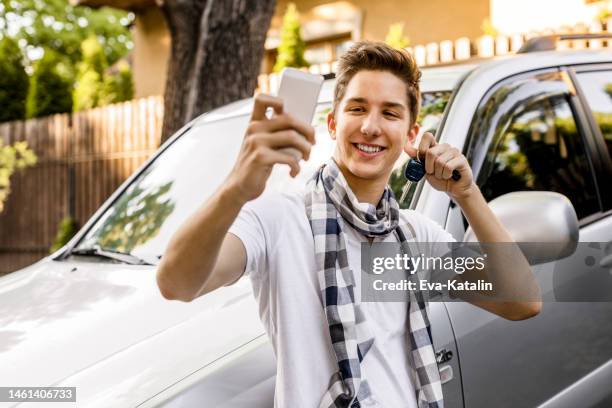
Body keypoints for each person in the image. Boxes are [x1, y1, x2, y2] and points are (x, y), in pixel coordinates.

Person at [156, 41, 542, 408]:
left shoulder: (414, 235)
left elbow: (521, 301)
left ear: (411, 135)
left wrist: (468, 194)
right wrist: (237, 187)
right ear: (332, 124)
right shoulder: (278, 218)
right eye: (357, 109)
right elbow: (176, 283)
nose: (371, 127)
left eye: (390, 113)